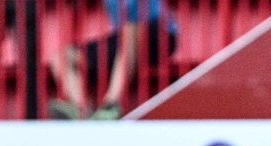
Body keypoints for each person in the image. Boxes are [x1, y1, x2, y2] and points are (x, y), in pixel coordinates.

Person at [48, 0, 177, 120]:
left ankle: (112, 104)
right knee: (62, 56)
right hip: (123, 36)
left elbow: (136, 16)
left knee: (130, 30)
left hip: (160, 34)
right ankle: (81, 111)